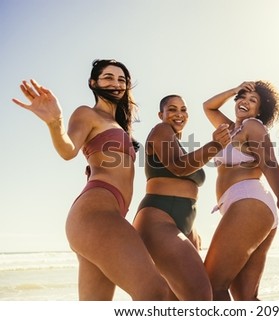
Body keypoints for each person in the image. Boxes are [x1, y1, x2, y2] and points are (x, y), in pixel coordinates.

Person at [12, 59, 169, 300]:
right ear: (93, 83)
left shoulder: (118, 124)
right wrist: (55, 123)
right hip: (96, 214)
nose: (116, 83)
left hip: (102, 218)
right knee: (155, 294)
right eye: (108, 77)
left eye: (121, 80)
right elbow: (68, 150)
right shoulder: (87, 113)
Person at [133, 94, 231, 300]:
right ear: (161, 114)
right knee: (201, 294)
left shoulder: (179, 144)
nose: (179, 114)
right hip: (158, 219)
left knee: (176, 300)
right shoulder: (161, 130)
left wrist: (191, 228)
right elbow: (178, 167)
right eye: (172, 109)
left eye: (183, 110)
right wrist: (215, 146)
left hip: (182, 224)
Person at [203, 81, 279, 300]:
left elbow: (269, 162)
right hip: (248, 206)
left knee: (210, 286)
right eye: (242, 97)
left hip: (249, 202)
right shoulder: (229, 129)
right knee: (246, 298)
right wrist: (235, 89)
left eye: (253, 100)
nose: (245, 102)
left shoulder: (253, 126)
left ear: (260, 111)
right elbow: (208, 106)